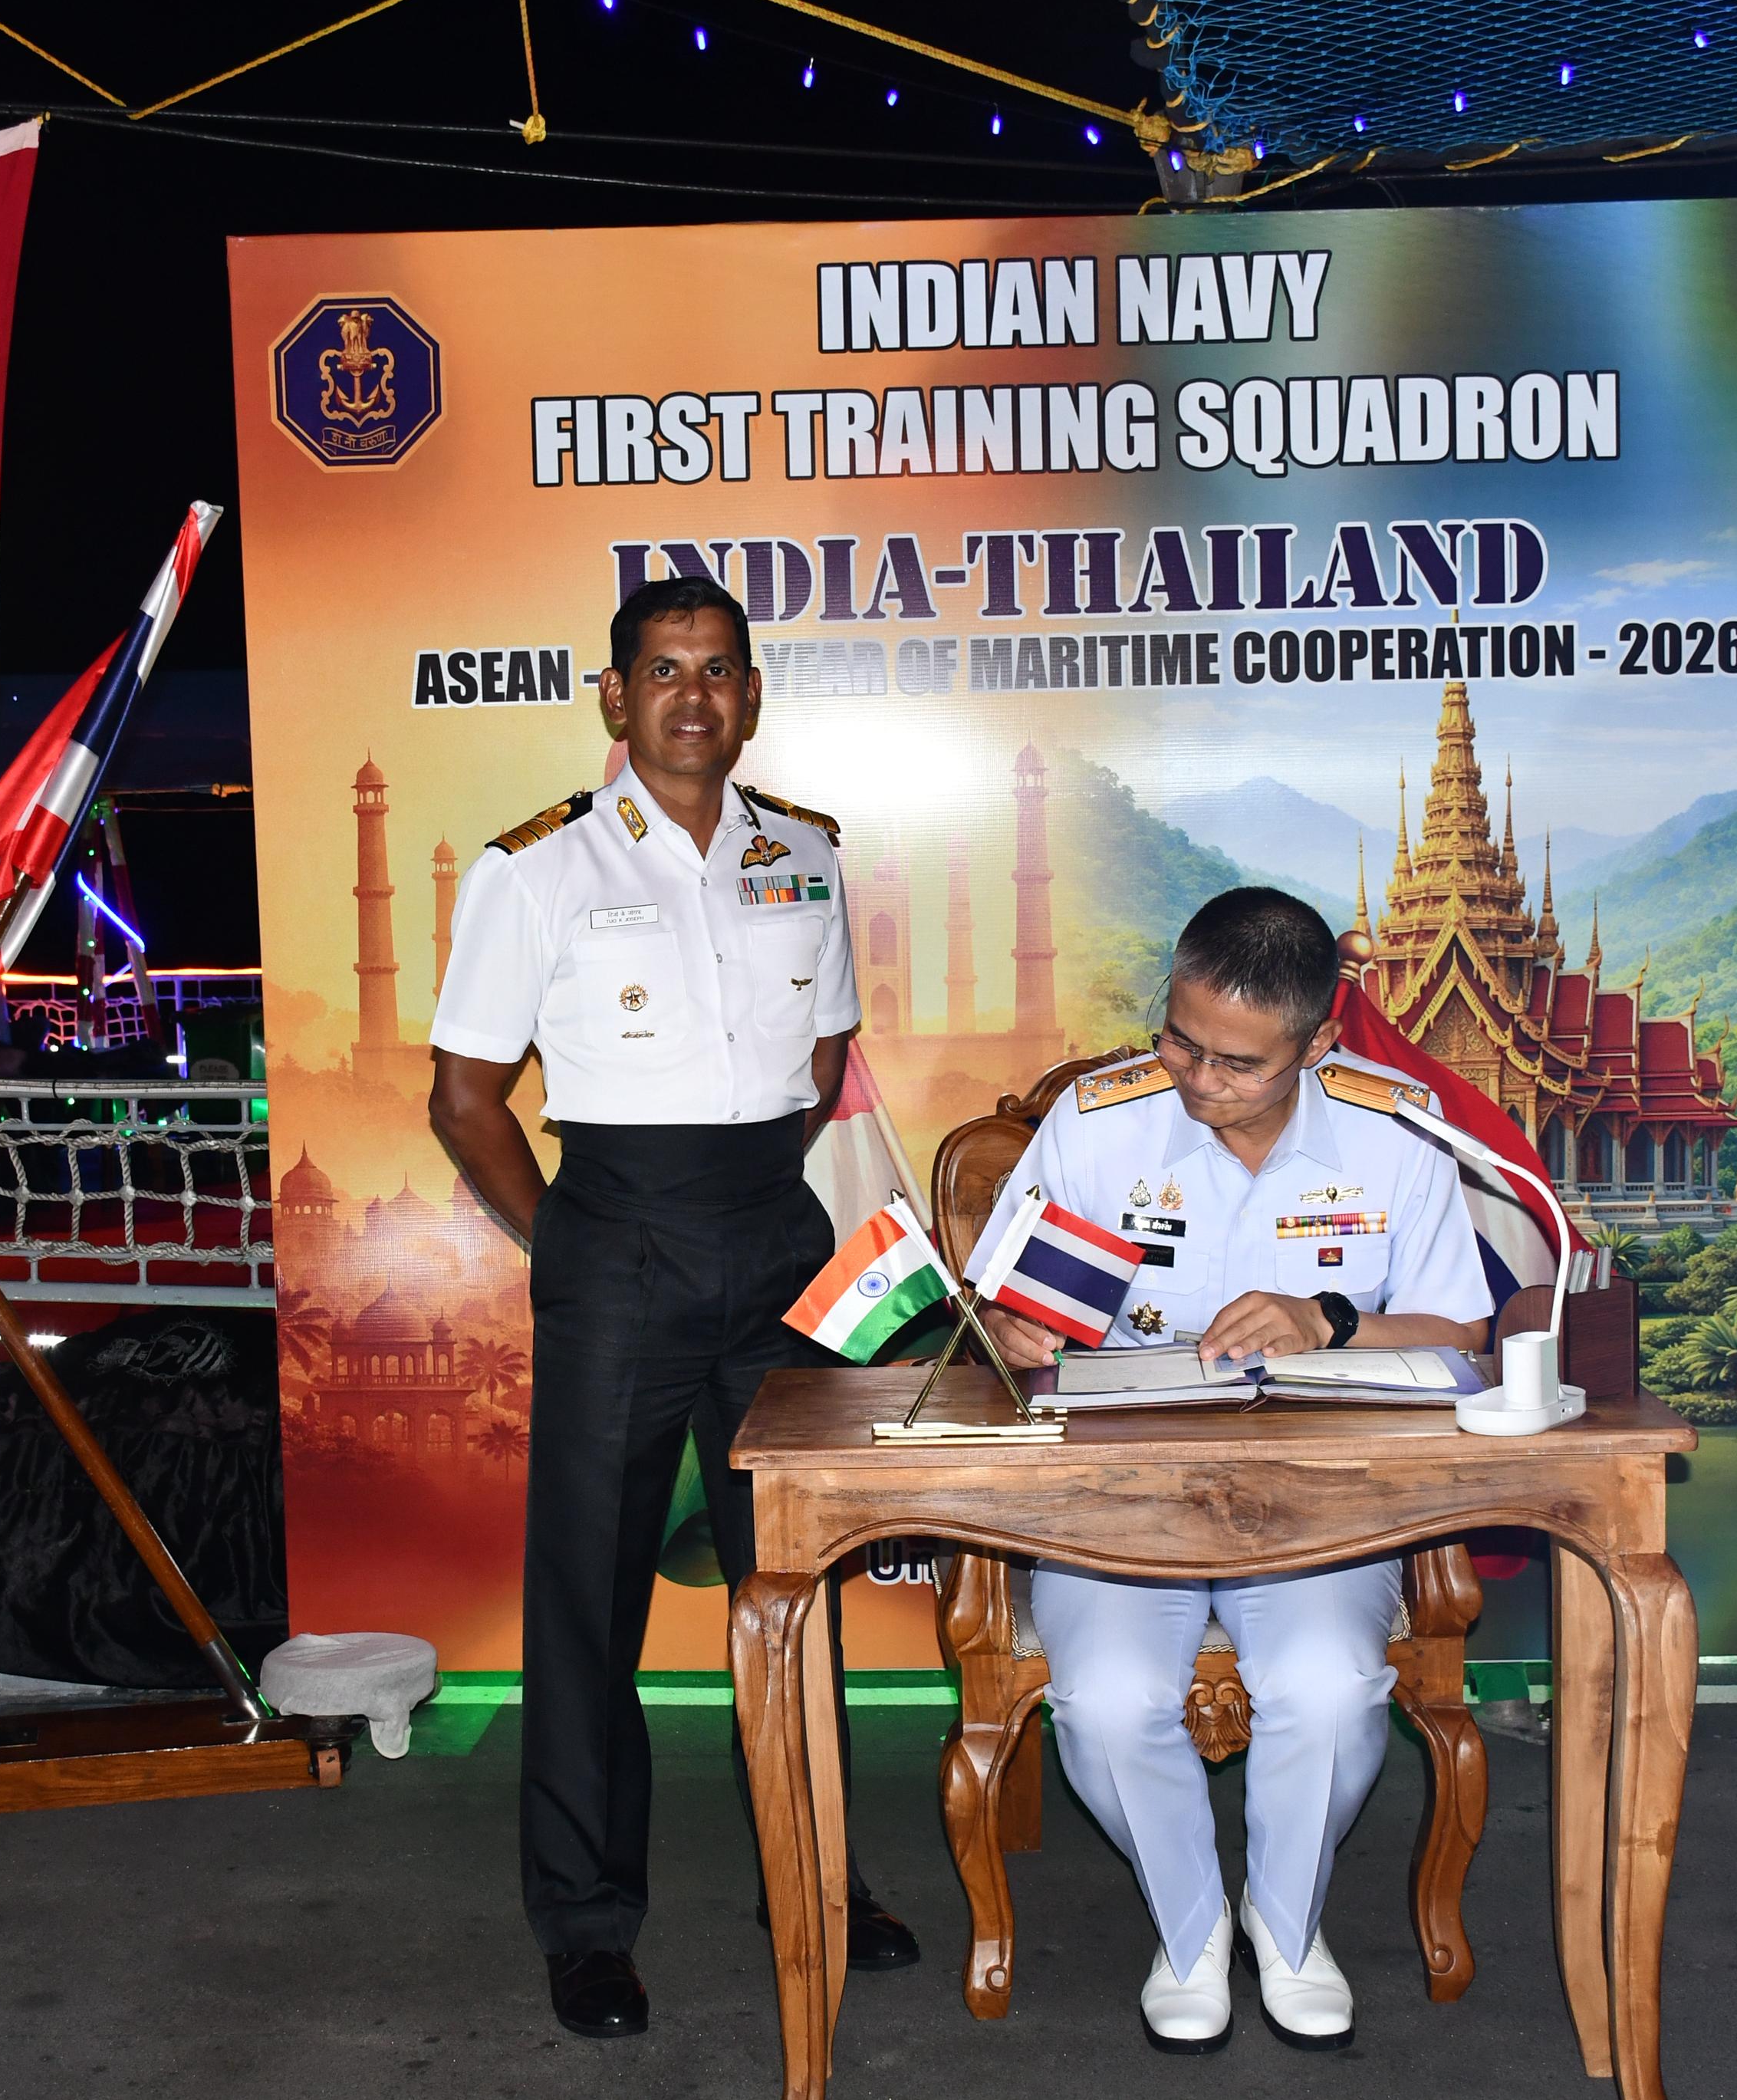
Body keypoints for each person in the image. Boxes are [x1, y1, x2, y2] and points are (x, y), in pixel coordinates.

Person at [428, 574, 916, 2042]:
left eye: (718, 671)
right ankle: (586, 1924)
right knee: (587, 1600)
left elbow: (824, 1056)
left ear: (750, 695)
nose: (691, 697)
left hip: (775, 1245)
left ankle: (817, 1877)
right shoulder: (540, 872)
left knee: (795, 1585)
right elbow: (463, 1100)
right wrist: (566, 1242)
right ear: (614, 697)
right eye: (662, 671)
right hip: (619, 1250)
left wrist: (756, 1178)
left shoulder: (808, 857)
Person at [965, 887, 1494, 2053]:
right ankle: (1194, 1921)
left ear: (1319, 1044)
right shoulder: (1100, 1126)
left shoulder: (1396, 1131)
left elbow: (1462, 1335)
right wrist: (1010, 1330)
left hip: (1318, 1506)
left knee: (1329, 1684)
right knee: (1102, 1702)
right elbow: (999, 1304)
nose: (1200, 1080)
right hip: (1120, 1503)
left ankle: (1289, 1923)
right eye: (1180, 1041)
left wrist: (1332, 1318)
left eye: (1241, 1065)